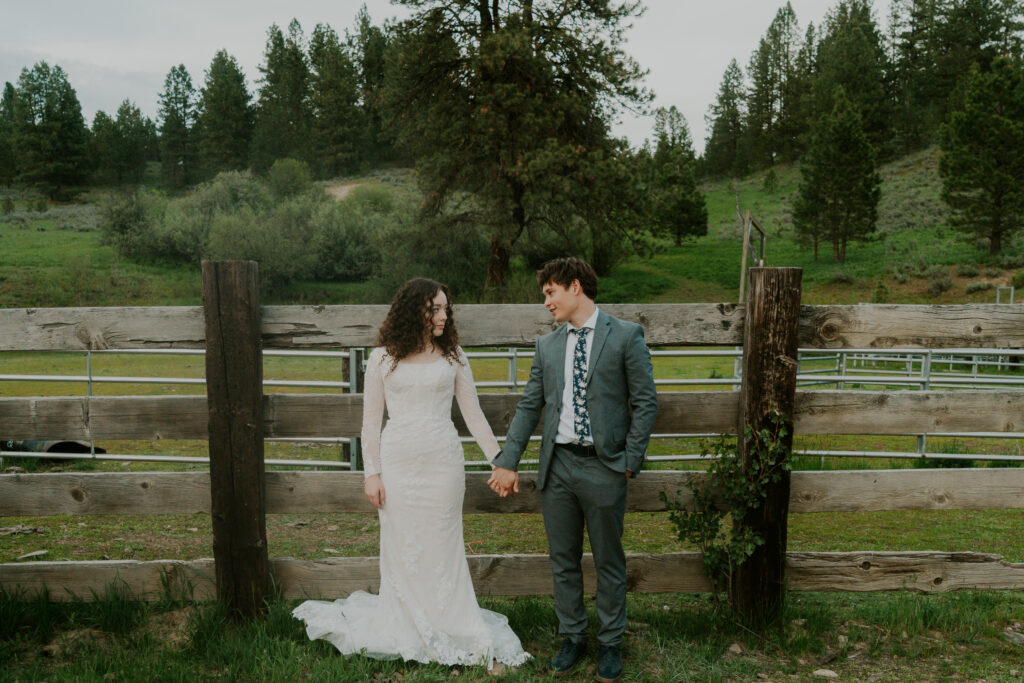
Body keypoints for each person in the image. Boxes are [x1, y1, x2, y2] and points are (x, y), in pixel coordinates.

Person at [292, 278, 530, 670]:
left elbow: (473, 414)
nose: (442, 316)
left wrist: (499, 461)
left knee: (442, 547)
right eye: (434, 308)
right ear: (412, 310)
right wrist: (372, 474)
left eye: (445, 309)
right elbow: (370, 424)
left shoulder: (453, 356)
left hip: (443, 464)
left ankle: (452, 623)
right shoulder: (383, 358)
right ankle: (406, 624)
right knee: (404, 548)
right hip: (399, 465)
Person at [487, 257, 658, 683]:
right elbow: (529, 406)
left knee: (608, 560)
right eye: (545, 294)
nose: (546, 302)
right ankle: (573, 638)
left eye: (551, 292)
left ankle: (611, 644)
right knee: (562, 559)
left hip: (605, 467)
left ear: (575, 287)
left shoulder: (624, 336)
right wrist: (507, 460)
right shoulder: (547, 347)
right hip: (558, 467)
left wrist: (629, 462)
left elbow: (646, 402)